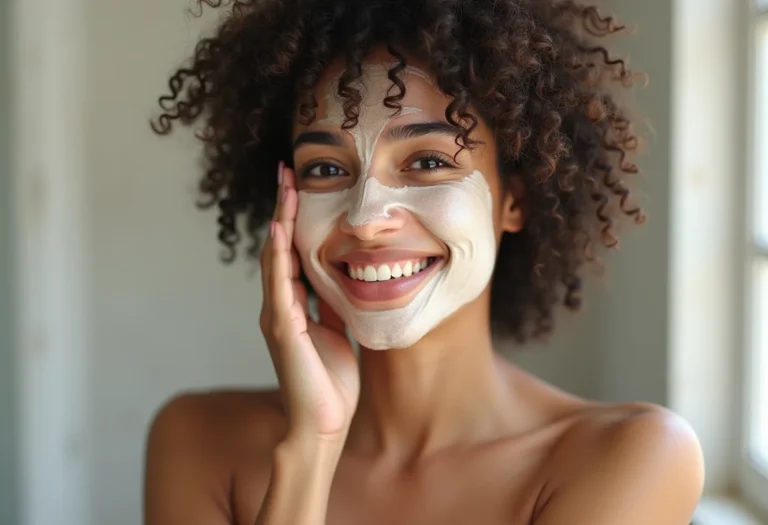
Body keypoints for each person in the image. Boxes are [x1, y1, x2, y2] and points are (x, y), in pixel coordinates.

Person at [144, 0, 704, 524]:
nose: (364, 218)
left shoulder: (631, 457)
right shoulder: (197, 442)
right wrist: (312, 448)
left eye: (428, 160)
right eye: (325, 169)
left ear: (515, 199)